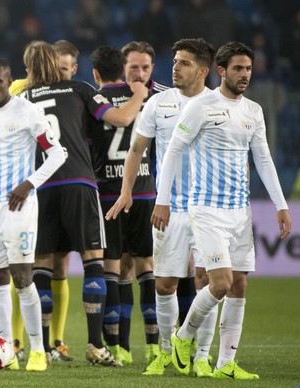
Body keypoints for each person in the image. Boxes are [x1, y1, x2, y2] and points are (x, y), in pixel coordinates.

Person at [152, 41, 292, 380]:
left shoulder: (253, 111)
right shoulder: (202, 106)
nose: (244, 75)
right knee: (220, 283)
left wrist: (281, 205)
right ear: (221, 71)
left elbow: (262, 159)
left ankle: (225, 363)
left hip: (240, 213)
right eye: (238, 69)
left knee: (239, 286)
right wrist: (163, 198)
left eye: (248, 69)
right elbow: (172, 152)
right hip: (207, 211)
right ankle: (183, 337)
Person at [22, 40, 147, 367]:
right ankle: (95, 343)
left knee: (43, 265)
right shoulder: (79, 89)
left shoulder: (22, 99)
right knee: (93, 260)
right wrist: (138, 95)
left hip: (41, 186)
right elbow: (120, 119)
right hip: (79, 180)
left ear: (30, 69)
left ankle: (44, 347)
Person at [106, 38, 218, 377]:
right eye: (175, 60)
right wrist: (127, 191)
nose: (175, 67)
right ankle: (166, 352)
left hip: (210, 208)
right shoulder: (159, 103)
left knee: (206, 281)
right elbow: (137, 149)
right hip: (168, 207)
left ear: (203, 70)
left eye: (183, 62)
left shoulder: (218, 104)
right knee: (164, 283)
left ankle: (200, 356)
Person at [0, 58, 66, 372]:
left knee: (22, 276)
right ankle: (5, 351)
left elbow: (58, 153)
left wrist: (29, 183)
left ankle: (37, 350)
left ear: (9, 81)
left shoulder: (27, 111)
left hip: (19, 207)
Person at [86, 44, 158, 366]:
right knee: (146, 267)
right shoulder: (152, 100)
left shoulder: (93, 100)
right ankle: (155, 346)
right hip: (144, 191)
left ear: (96, 73)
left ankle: (117, 347)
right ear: (124, 68)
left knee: (112, 269)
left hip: (107, 194)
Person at [9, 39, 79, 363]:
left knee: (31, 265)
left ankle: (39, 342)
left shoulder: (19, 91)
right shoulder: (62, 91)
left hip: (39, 184)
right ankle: (28, 340)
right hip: (40, 185)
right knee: (40, 264)